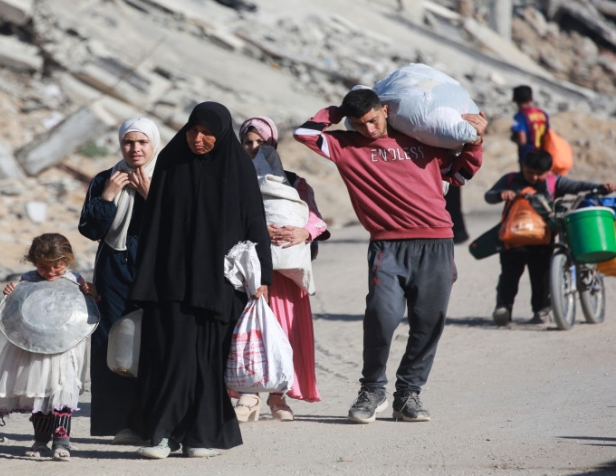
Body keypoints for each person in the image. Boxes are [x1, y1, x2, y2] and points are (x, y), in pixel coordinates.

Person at [293, 89, 485, 424]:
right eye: (359, 123)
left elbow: (458, 175)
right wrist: (336, 112)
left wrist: (475, 142)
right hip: (387, 246)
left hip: (436, 243)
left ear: (385, 110)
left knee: (428, 321)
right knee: (382, 316)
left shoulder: (420, 138)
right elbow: (304, 134)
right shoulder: (345, 146)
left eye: (372, 120)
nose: (368, 129)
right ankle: (372, 390)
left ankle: (408, 395)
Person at [127, 102, 272, 459]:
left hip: (218, 284)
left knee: (208, 361)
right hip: (170, 282)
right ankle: (162, 435)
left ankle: (201, 436)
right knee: (171, 357)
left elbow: (255, 223)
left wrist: (262, 277)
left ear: (221, 133)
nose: (199, 139)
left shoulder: (236, 167)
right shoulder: (171, 162)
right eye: (194, 131)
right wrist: (144, 279)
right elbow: (153, 225)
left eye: (208, 133)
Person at [234, 116, 329, 422]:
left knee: (284, 333)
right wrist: (258, 228)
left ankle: (279, 397)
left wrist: (305, 233)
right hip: (250, 269)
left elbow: (315, 218)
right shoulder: (232, 180)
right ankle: (249, 394)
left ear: (272, 143)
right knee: (250, 332)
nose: (253, 148)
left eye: (259, 143)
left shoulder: (293, 182)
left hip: (286, 273)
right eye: (247, 143)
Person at [78, 117, 160, 442]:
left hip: (154, 271)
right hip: (113, 270)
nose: (135, 149)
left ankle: (152, 422)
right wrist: (108, 196)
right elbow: (91, 230)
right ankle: (119, 423)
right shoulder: (104, 179)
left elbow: (178, 228)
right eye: (129, 142)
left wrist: (150, 195)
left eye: (142, 142)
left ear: (154, 145)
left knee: (153, 344)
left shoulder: (167, 179)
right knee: (113, 345)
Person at [0, 233, 97, 461]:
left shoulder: (75, 281)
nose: (50, 273)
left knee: (61, 392)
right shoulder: (28, 280)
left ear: (67, 261)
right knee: (39, 394)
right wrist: (11, 293)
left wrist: (94, 294)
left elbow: (88, 309)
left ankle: (62, 443)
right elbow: (16, 310)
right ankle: (40, 441)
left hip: (65, 349)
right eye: (43, 267)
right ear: (33, 262)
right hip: (33, 350)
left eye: (57, 268)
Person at [484, 149, 616, 326]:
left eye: (540, 174)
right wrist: (501, 194)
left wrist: (600, 188)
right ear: (523, 167)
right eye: (530, 173)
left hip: (542, 241)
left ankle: (542, 310)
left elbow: (578, 186)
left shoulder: (554, 182)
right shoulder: (510, 180)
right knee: (509, 276)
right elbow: (489, 196)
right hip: (513, 240)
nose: (535, 178)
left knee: (542, 278)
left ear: (549, 171)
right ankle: (503, 309)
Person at [511, 85, 548, 165]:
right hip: (543, 155)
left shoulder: (520, 116)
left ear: (514, 99)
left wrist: (513, 138)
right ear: (531, 98)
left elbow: (522, 140)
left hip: (528, 156)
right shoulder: (542, 114)